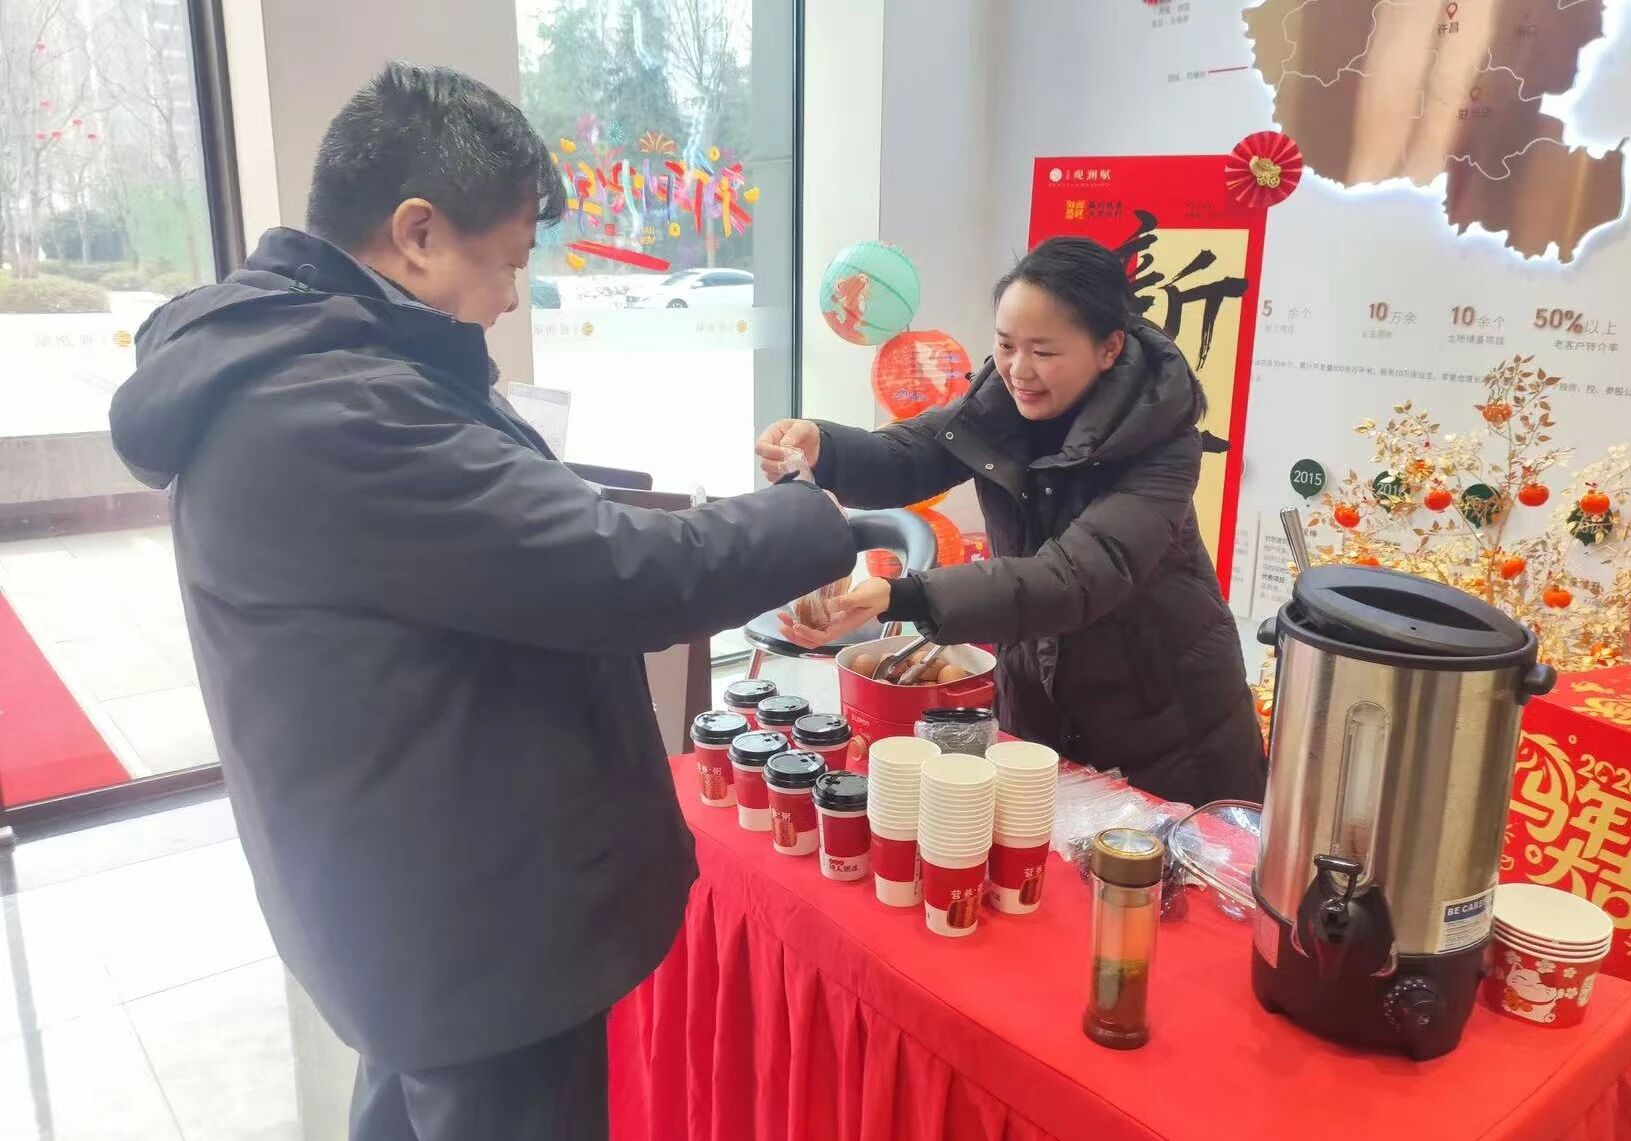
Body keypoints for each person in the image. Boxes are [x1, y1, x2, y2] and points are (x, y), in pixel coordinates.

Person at [108, 63, 855, 1141]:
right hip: (473, 925)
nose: (511, 297)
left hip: (406, 892)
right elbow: (612, 572)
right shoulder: (338, 405)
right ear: (417, 232)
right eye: (507, 261)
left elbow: (509, 539)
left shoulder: (298, 356)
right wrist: (809, 517)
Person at [758, 237, 1264, 806]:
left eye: (1043, 352)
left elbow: (1078, 576)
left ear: (1109, 348)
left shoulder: (1163, 444)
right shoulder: (1000, 404)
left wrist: (904, 595)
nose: (1019, 370)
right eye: (1005, 345)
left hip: (1167, 723)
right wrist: (824, 447)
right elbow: (912, 452)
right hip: (1040, 699)